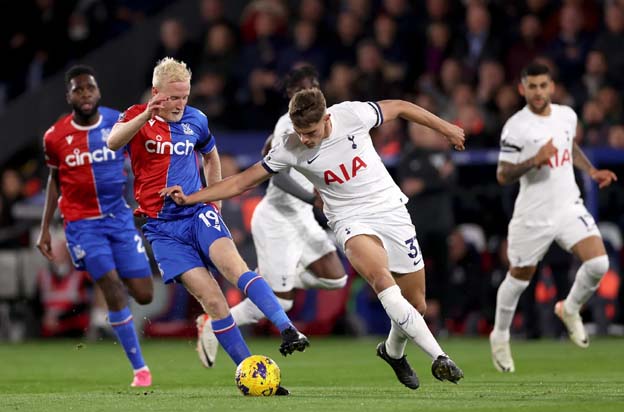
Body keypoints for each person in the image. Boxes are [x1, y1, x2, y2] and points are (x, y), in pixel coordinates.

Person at [160, 88, 466, 389]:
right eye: (299, 131)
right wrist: (191, 198)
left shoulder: (352, 115)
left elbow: (399, 106)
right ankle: (440, 356)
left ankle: (392, 352)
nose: (305, 138)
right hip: (349, 221)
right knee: (382, 281)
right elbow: (241, 181)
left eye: (311, 131)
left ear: (326, 118)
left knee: (416, 304)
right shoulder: (289, 146)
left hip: (391, 212)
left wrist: (446, 128)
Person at [106, 58, 308, 393]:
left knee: (236, 269)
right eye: (172, 98)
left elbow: (211, 156)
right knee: (213, 301)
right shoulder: (135, 116)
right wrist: (146, 114)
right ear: (156, 93)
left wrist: (212, 202)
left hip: (197, 214)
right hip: (161, 229)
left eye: (184, 97)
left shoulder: (196, 120)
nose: (179, 104)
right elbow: (113, 142)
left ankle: (288, 328)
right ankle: (251, 376)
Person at [195, 66, 347, 367]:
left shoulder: (328, 121)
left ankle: (277, 280)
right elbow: (275, 177)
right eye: (303, 87)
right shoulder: (287, 125)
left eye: (314, 84)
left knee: (336, 278)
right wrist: (314, 198)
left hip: (301, 217)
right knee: (281, 302)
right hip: (276, 217)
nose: (312, 90)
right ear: (291, 95)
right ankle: (213, 325)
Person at [490, 62, 617, 373]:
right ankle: (500, 335)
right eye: (531, 86)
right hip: (533, 213)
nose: (538, 92)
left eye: (543, 85)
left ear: (551, 87)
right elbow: (503, 174)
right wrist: (535, 160)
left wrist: (590, 170)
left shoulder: (566, 115)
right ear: (522, 89)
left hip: (568, 206)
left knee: (599, 263)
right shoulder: (516, 127)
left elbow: (569, 145)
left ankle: (569, 308)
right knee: (519, 278)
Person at [37, 65, 154, 387]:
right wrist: (46, 228)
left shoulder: (119, 122)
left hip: (119, 219)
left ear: (98, 92)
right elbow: (54, 179)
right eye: (78, 89)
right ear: (69, 95)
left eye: (90, 88)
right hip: (81, 224)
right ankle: (140, 370)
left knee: (143, 294)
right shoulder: (55, 137)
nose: (85, 94)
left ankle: (119, 324)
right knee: (111, 286)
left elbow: (143, 161)